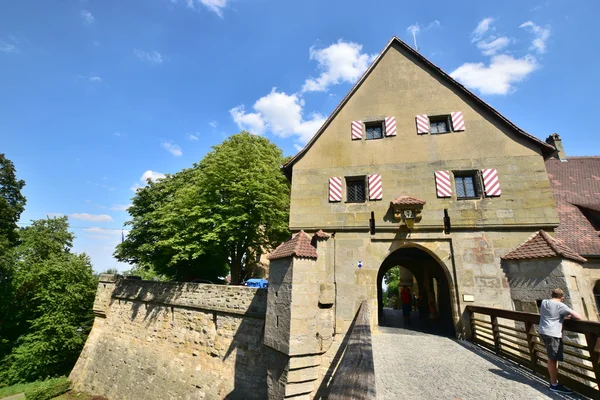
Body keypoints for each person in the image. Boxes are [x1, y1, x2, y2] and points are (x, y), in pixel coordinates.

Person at [538, 288, 583, 394]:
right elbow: (578, 317)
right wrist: (569, 315)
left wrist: (562, 315)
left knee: (553, 358)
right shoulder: (561, 305)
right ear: (562, 297)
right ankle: (554, 384)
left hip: (543, 331)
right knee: (552, 358)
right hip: (552, 333)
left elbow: (550, 312)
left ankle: (555, 381)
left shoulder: (544, 302)